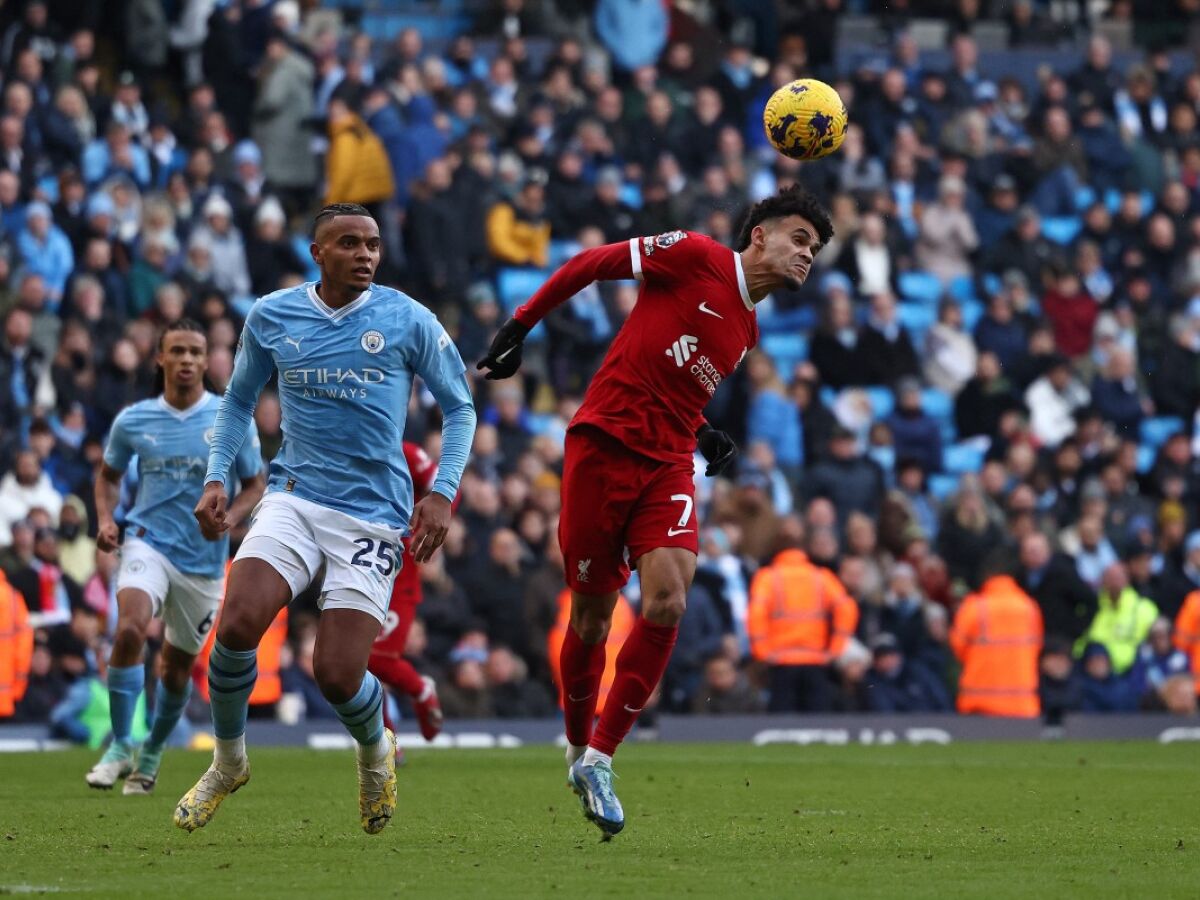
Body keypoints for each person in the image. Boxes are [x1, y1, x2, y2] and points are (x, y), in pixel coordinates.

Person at [477, 186, 833, 836]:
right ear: (760, 236)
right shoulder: (694, 255)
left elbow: (673, 375)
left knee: (669, 599)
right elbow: (591, 264)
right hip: (603, 444)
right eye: (800, 240)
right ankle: (577, 745)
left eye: (814, 250)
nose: (808, 256)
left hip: (667, 461)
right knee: (590, 616)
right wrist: (519, 325)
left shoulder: (748, 327)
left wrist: (699, 432)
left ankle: (602, 757)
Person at [175, 204, 476, 836]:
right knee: (237, 622)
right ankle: (228, 762)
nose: (366, 254)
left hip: (372, 515)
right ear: (318, 252)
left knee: (337, 674)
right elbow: (236, 402)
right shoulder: (273, 315)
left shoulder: (406, 318)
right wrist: (215, 478)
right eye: (349, 243)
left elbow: (460, 407)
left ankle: (375, 749)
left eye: (371, 244)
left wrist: (443, 491)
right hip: (293, 495)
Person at [86, 319, 265, 794]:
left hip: (204, 561)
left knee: (175, 667)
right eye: (178, 351)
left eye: (195, 352)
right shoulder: (134, 420)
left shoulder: (229, 418)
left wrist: (233, 518)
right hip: (147, 540)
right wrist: (106, 519)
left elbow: (255, 484)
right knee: (128, 629)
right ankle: (122, 744)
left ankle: (153, 752)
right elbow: (107, 476)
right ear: (160, 359)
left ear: (207, 362)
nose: (186, 360)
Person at [366, 442, 444, 743]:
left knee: (376, 659)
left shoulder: (408, 453)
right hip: (355, 568)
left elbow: (446, 489)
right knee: (356, 667)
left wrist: (434, 525)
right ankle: (384, 742)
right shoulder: (344, 449)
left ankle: (420, 689)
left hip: (398, 575)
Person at [748, 525, 858, 713]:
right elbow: (847, 608)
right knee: (817, 725)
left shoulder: (767, 577)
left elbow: (755, 613)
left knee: (781, 726)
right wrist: (835, 649)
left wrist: (762, 651)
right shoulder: (821, 576)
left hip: (780, 660)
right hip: (816, 659)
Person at [950, 562, 1043, 718]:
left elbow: (958, 646)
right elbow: (1037, 646)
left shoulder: (974, 607)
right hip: (1022, 703)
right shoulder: (1029, 607)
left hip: (980, 702)